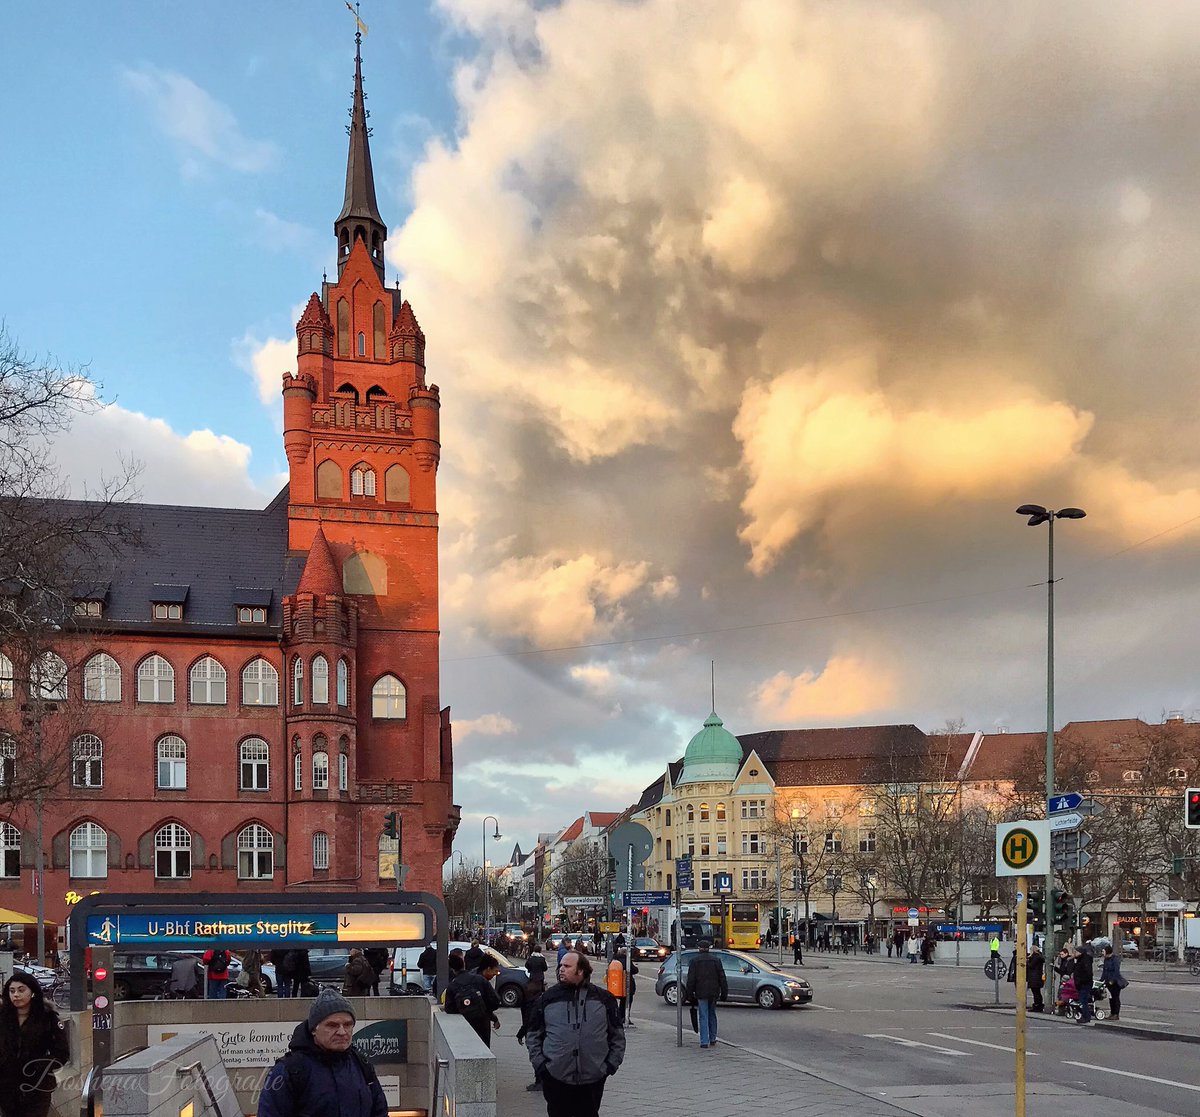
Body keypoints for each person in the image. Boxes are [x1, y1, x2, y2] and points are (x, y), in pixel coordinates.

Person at [256, 988, 386, 1117]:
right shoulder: (289, 1070)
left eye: (347, 1025)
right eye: (332, 1025)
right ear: (314, 1029)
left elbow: (380, 1111)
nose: (342, 1032)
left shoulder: (361, 1064)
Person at [526, 950, 624, 1117]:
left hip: (592, 1078)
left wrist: (609, 1066)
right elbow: (533, 1035)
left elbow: (617, 1035)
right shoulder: (547, 999)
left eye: (567, 966)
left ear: (581, 970)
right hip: (556, 1077)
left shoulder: (603, 999)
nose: (561, 969)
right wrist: (542, 1067)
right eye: (560, 966)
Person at [0, 970, 71, 1117]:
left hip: (37, 1087)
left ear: (32, 992)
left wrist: (39, 1066)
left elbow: (62, 1053)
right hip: (6, 1087)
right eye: (12, 991)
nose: (16, 995)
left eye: (21, 990)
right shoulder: (3, 1018)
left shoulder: (47, 1018)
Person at [444, 957, 502, 1048]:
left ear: (452, 969)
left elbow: (449, 1008)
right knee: (484, 1049)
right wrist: (490, 1015)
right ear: (464, 964)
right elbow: (494, 1001)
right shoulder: (479, 980)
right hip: (482, 1022)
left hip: (463, 1024)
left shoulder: (452, 986)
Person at [683, 940, 727, 1051]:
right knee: (712, 1014)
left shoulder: (694, 961)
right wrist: (724, 992)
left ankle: (704, 1041)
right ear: (709, 948)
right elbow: (722, 977)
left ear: (699, 948)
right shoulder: (716, 960)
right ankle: (712, 1038)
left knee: (703, 1016)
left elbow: (691, 980)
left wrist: (689, 994)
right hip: (713, 992)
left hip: (701, 992)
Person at [517, 945, 549, 1093]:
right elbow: (545, 968)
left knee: (536, 1053)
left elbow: (527, 966)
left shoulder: (530, 958)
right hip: (539, 980)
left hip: (533, 979)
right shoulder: (541, 959)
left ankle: (540, 1081)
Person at [1101, 944, 1125, 1021]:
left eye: (1103, 951)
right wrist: (1101, 980)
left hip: (1115, 982)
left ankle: (1116, 1014)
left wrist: (1112, 980)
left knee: (1115, 998)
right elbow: (1104, 971)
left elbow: (1116, 971)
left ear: (1107, 952)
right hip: (1108, 981)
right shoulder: (1106, 959)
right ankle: (1112, 1013)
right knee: (1111, 998)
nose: (1102, 952)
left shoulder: (1115, 959)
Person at [1074, 943, 1095, 1024]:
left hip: (1084, 984)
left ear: (1080, 952)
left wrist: (1081, 982)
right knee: (1082, 1001)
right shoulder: (1081, 959)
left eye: (1076, 952)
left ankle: (1086, 1017)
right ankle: (1085, 1016)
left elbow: (1087, 973)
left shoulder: (1085, 960)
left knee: (1083, 1001)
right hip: (1082, 984)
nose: (1074, 953)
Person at [1027, 942, 1045, 1013]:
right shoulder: (1039, 956)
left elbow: (1031, 966)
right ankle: (1038, 1005)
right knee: (1037, 992)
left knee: (1036, 993)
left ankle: (1037, 1006)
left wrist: (1027, 961)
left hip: (1034, 977)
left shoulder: (1035, 957)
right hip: (1037, 977)